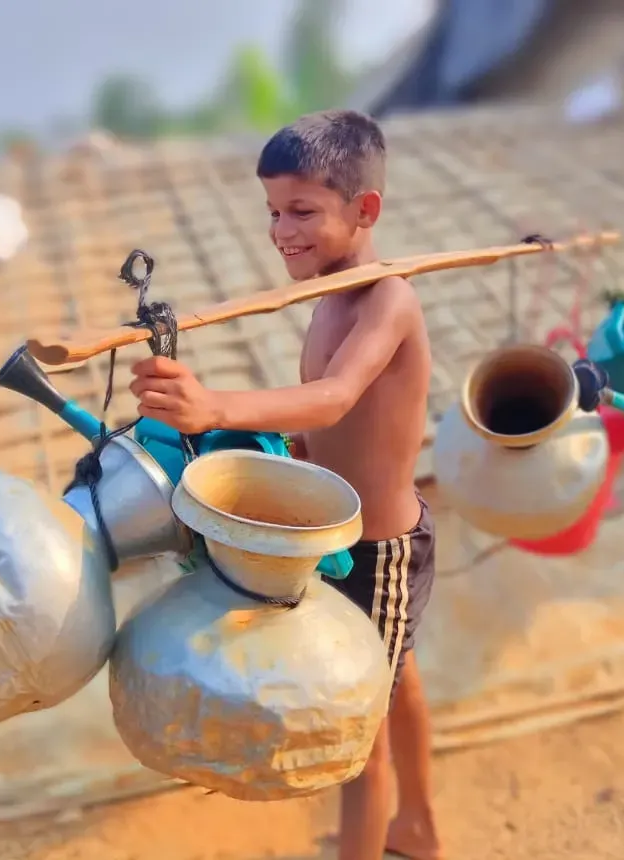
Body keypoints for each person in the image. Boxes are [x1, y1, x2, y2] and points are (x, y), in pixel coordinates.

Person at [128, 109, 441, 860]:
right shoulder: (329, 296)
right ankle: (419, 828)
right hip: (332, 538)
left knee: (355, 729)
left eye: (301, 211)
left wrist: (217, 405)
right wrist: (258, 446)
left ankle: (386, 838)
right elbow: (322, 426)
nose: (280, 230)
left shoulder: (386, 299)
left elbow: (335, 396)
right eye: (272, 210)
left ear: (365, 210)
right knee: (394, 679)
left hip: (380, 547)